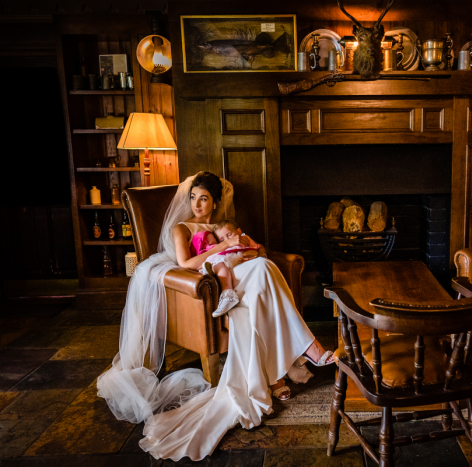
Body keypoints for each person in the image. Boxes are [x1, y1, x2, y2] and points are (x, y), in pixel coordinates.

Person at [97, 171, 334, 462]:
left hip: (240, 273)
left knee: (265, 265)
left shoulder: (225, 225)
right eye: (193, 197)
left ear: (215, 201)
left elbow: (258, 250)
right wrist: (223, 248)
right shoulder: (182, 228)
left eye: (204, 198)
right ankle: (308, 349)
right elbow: (186, 263)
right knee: (264, 269)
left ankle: (279, 372)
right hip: (217, 279)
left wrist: (246, 245)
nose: (197, 204)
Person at [190, 219, 264, 317]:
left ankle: (228, 293)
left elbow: (258, 247)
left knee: (219, 262)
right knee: (219, 263)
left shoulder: (244, 238)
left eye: (229, 235)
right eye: (222, 240)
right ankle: (220, 282)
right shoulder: (225, 246)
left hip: (242, 254)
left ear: (239, 231)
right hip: (233, 259)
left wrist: (261, 254)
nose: (227, 240)